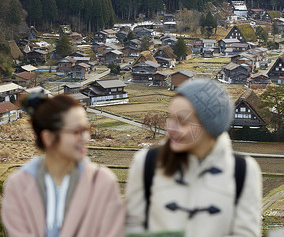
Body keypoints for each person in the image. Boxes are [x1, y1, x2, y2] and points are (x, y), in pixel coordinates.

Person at [126, 79, 262, 237]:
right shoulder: (146, 163)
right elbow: (133, 225)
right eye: (170, 117)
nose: (170, 128)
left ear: (209, 125)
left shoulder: (243, 171)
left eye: (182, 122)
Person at [1, 93, 125, 237]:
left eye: (86, 130)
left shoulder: (102, 182)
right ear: (49, 137)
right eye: (77, 131)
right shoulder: (18, 186)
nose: (86, 138)